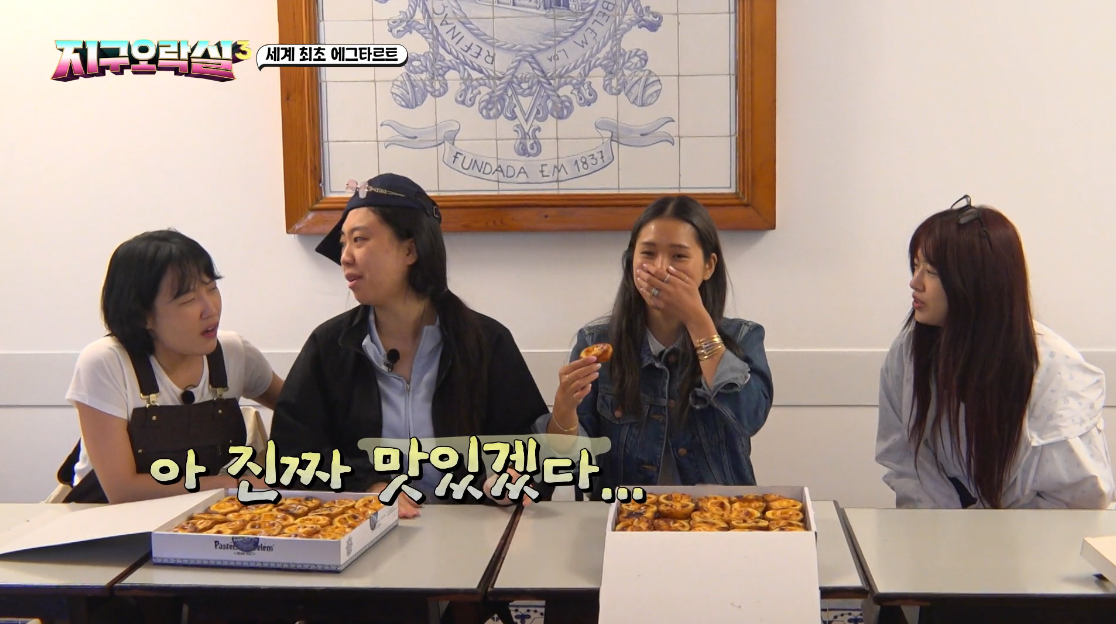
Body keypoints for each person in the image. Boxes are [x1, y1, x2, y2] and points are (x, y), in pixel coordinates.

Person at [268, 173, 553, 518]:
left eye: (359, 240)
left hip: (470, 530)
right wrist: (367, 487)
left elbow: (529, 449)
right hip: (365, 529)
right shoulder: (329, 346)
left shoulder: (485, 341)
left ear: (410, 249)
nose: (345, 257)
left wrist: (505, 480)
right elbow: (291, 455)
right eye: (343, 244)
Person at [876, 195, 1114, 509]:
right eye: (916, 266)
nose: (914, 282)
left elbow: (1081, 499)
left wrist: (986, 529)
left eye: (931, 271)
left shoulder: (1053, 368)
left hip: (1038, 533)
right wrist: (941, 526)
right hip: (943, 530)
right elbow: (905, 462)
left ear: (976, 282)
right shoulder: (908, 353)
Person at [541, 195, 774, 497]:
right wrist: (563, 409)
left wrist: (696, 319)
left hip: (718, 515)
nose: (661, 268)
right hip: (626, 514)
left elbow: (749, 418)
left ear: (708, 266)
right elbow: (570, 467)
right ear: (631, 262)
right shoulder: (596, 343)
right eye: (648, 254)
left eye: (678, 256)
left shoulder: (743, 337)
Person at [61, 229, 283, 504]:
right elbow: (123, 490)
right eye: (188, 300)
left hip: (202, 517)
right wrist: (231, 484)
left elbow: (301, 411)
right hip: (104, 519)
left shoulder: (234, 351)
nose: (210, 309)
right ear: (142, 315)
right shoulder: (105, 362)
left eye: (212, 289)